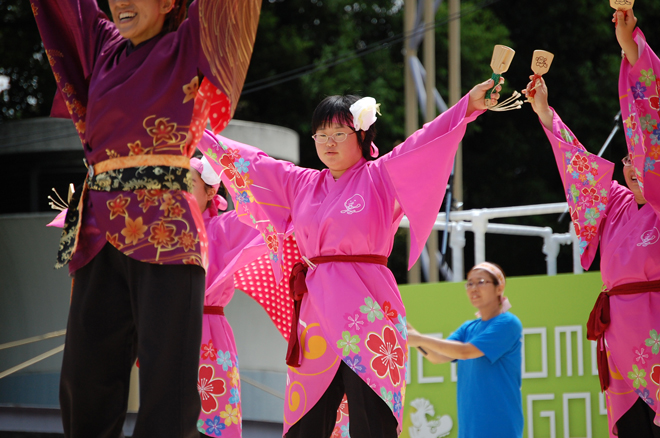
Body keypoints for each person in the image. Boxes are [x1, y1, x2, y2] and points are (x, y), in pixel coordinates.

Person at [199, 79, 504, 437]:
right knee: (304, 427)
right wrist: (196, 131)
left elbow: (425, 140)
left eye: (339, 133)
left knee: (372, 425)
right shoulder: (301, 184)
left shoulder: (380, 176)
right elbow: (250, 160)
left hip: (369, 312)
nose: (328, 142)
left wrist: (469, 106)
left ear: (362, 136)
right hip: (316, 317)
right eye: (321, 134)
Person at [30, 0, 260, 436]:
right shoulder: (102, 46)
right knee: (84, 383)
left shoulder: (189, 43)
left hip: (166, 231)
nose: (121, 2)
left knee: (167, 391)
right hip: (97, 231)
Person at [524, 8, 660, 436]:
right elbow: (578, 163)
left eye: (643, 160)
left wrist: (630, 48)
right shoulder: (617, 203)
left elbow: (650, 120)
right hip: (619, 329)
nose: (635, 168)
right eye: (628, 161)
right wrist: (546, 113)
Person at [407, 262, 523, 438]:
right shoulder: (468, 327)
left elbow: (466, 352)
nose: (473, 288)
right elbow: (438, 356)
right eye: (469, 283)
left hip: (501, 427)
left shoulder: (507, 323)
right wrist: (406, 331)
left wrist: (419, 339)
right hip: (470, 430)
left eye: (481, 282)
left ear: (500, 288)